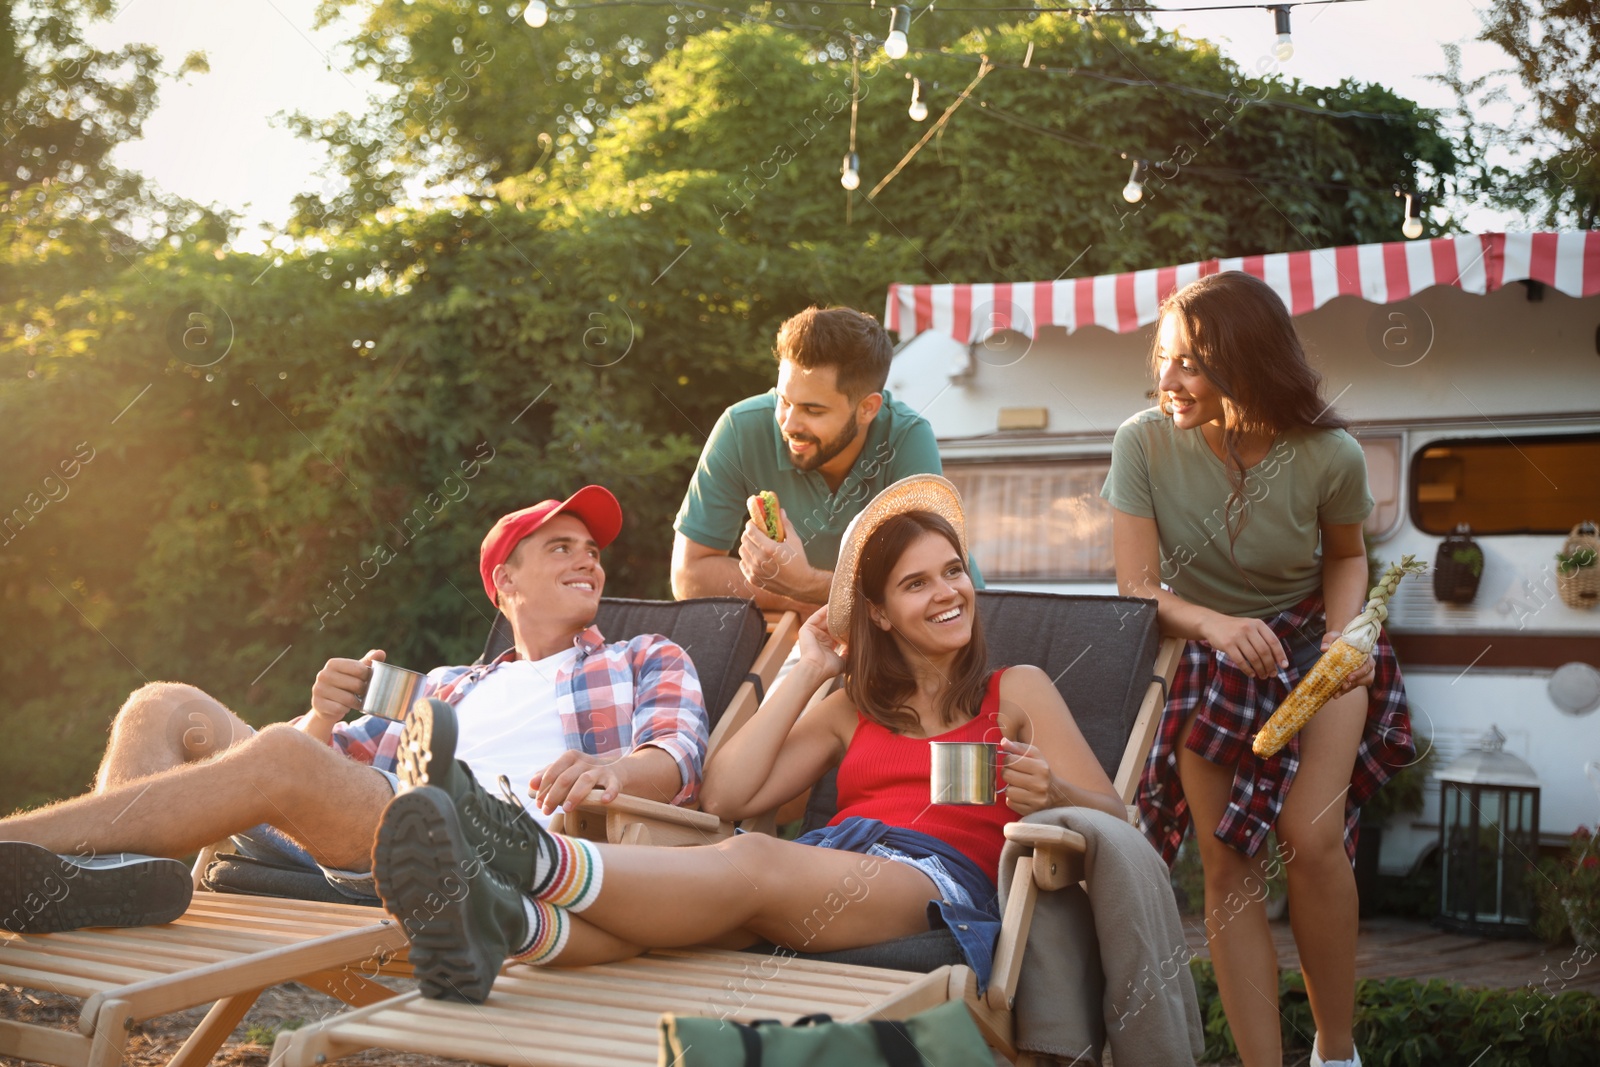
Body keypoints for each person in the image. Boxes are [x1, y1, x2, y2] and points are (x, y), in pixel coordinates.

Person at [372, 474, 1123, 1004]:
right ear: (882, 614)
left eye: (953, 571)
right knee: (689, 910)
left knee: (748, 860)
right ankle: (505, 922)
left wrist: (1051, 793)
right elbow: (729, 792)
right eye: (917, 582)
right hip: (829, 866)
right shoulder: (849, 707)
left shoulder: (1016, 691)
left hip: (941, 885)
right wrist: (805, 668)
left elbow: (1118, 824)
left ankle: (522, 850)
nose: (950, 591)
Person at [0, 487, 709, 933]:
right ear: (505, 583)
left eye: (591, 550)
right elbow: (324, 772)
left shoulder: (643, 656)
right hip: (361, 829)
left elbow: (675, 756)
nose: (589, 560)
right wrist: (321, 715)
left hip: (482, 854)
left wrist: (608, 770)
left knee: (283, 756)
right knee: (162, 703)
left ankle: (27, 840)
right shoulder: (445, 684)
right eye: (561, 546)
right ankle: (103, 879)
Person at [1102, 272, 1413, 1067]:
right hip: (1208, 649)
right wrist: (1218, 623)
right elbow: (1138, 588)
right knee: (1227, 862)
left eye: (1190, 364)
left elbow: (1346, 556)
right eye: (1164, 360)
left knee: (1312, 839)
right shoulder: (1142, 440)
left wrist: (1350, 638)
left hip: (1316, 645)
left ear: (1246, 361)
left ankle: (1336, 1053)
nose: (1167, 381)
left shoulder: (1329, 453)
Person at [671, 306, 981, 616]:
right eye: (784, 400)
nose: (789, 423)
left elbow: (926, 590)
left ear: (867, 409)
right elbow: (689, 576)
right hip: (815, 639)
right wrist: (796, 596)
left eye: (813, 410)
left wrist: (806, 584)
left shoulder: (908, 438)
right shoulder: (740, 428)